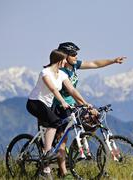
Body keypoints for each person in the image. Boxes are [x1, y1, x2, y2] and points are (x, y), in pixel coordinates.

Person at [52, 42, 126, 177]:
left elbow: (95, 64)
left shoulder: (74, 65)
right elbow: (72, 91)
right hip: (60, 106)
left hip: (74, 104)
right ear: (65, 56)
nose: (76, 56)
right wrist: (86, 104)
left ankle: (78, 143)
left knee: (94, 119)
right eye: (73, 54)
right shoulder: (61, 71)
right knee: (62, 139)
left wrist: (113, 61)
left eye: (76, 54)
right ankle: (63, 172)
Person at [26, 49, 90, 178]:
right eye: (65, 60)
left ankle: (46, 171)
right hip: (35, 103)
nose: (66, 62)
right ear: (59, 60)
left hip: (46, 105)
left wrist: (84, 102)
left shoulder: (61, 74)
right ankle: (47, 152)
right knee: (55, 122)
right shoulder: (45, 72)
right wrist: (62, 101)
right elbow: (53, 89)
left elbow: (71, 89)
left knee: (53, 125)